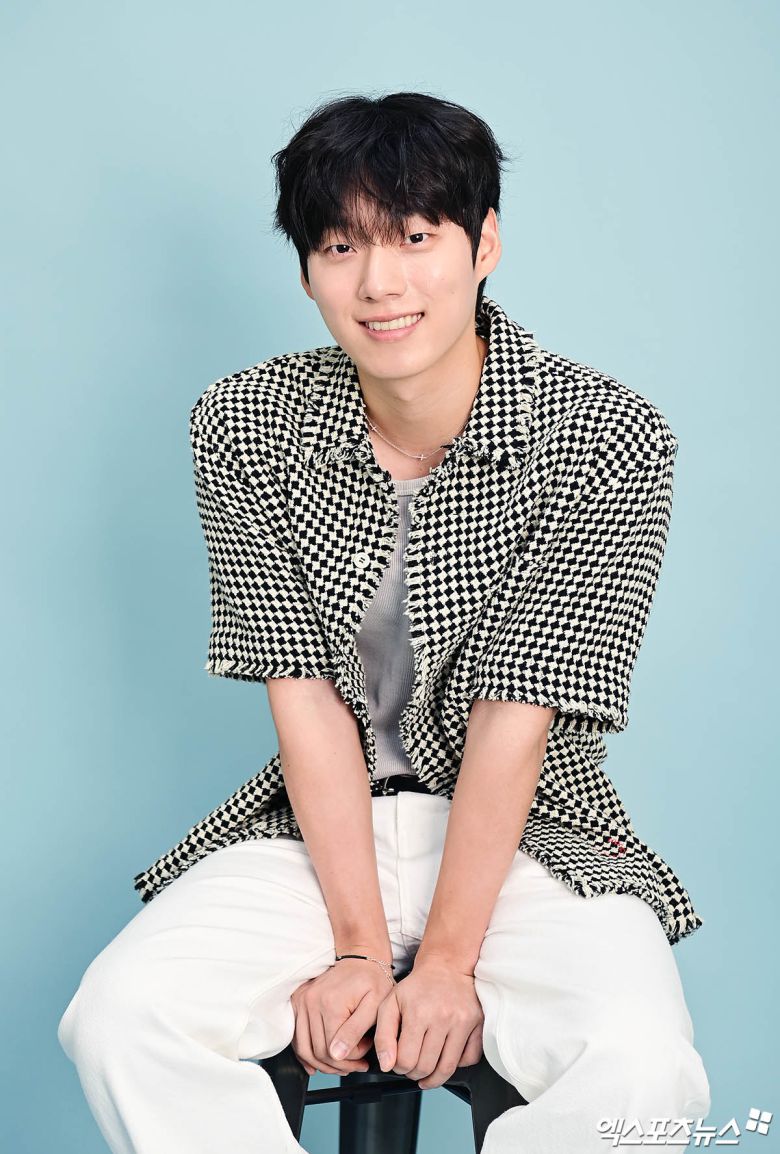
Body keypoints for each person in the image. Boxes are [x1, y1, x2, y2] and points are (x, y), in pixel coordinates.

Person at [57, 91, 711, 1153]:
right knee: (121, 1016)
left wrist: (445, 962)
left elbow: (515, 717)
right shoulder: (247, 422)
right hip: (319, 831)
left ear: (483, 243)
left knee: (641, 1066)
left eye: (414, 238)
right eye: (340, 246)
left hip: (531, 834)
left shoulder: (607, 435)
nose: (379, 283)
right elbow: (305, 698)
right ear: (307, 270)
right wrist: (361, 948)